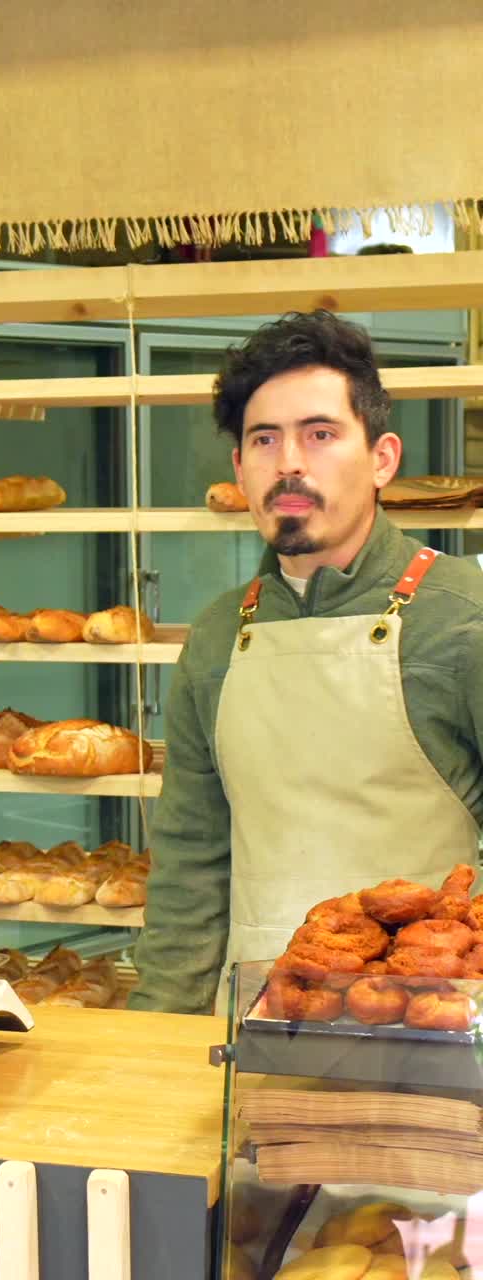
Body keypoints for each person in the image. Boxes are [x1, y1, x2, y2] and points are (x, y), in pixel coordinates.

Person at [129, 310, 483, 1015]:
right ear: (239, 468)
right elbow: (191, 866)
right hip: (264, 1023)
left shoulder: (463, 617)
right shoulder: (217, 634)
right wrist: (159, 1035)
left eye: (320, 435)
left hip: (432, 1029)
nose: (289, 461)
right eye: (265, 439)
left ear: (382, 457)